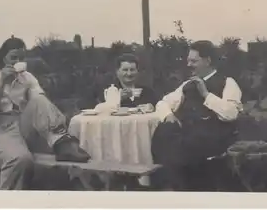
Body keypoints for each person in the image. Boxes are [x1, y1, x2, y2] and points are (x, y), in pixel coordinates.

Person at [0, 36, 90, 190]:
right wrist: (2, 84)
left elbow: (41, 104)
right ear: (3, 58)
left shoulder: (27, 78)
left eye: (21, 58)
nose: (17, 62)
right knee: (20, 160)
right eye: (13, 58)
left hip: (21, 126)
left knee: (38, 99)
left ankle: (62, 144)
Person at [150, 40, 243, 191]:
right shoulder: (187, 85)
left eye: (194, 61)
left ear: (208, 61)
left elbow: (230, 114)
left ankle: (182, 186)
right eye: (188, 61)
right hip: (189, 139)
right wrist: (168, 115)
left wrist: (206, 94)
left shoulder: (228, 82)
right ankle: (170, 185)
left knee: (185, 148)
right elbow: (162, 102)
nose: (189, 65)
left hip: (216, 137)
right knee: (162, 133)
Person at [92, 53, 158, 109]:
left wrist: (152, 107)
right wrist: (117, 99)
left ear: (137, 71)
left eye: (132, 70)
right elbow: (99, 110)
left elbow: (160, 108)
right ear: (117, 72)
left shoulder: (148, 92)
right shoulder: (108, 91)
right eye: (125, 70)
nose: (129, 74)